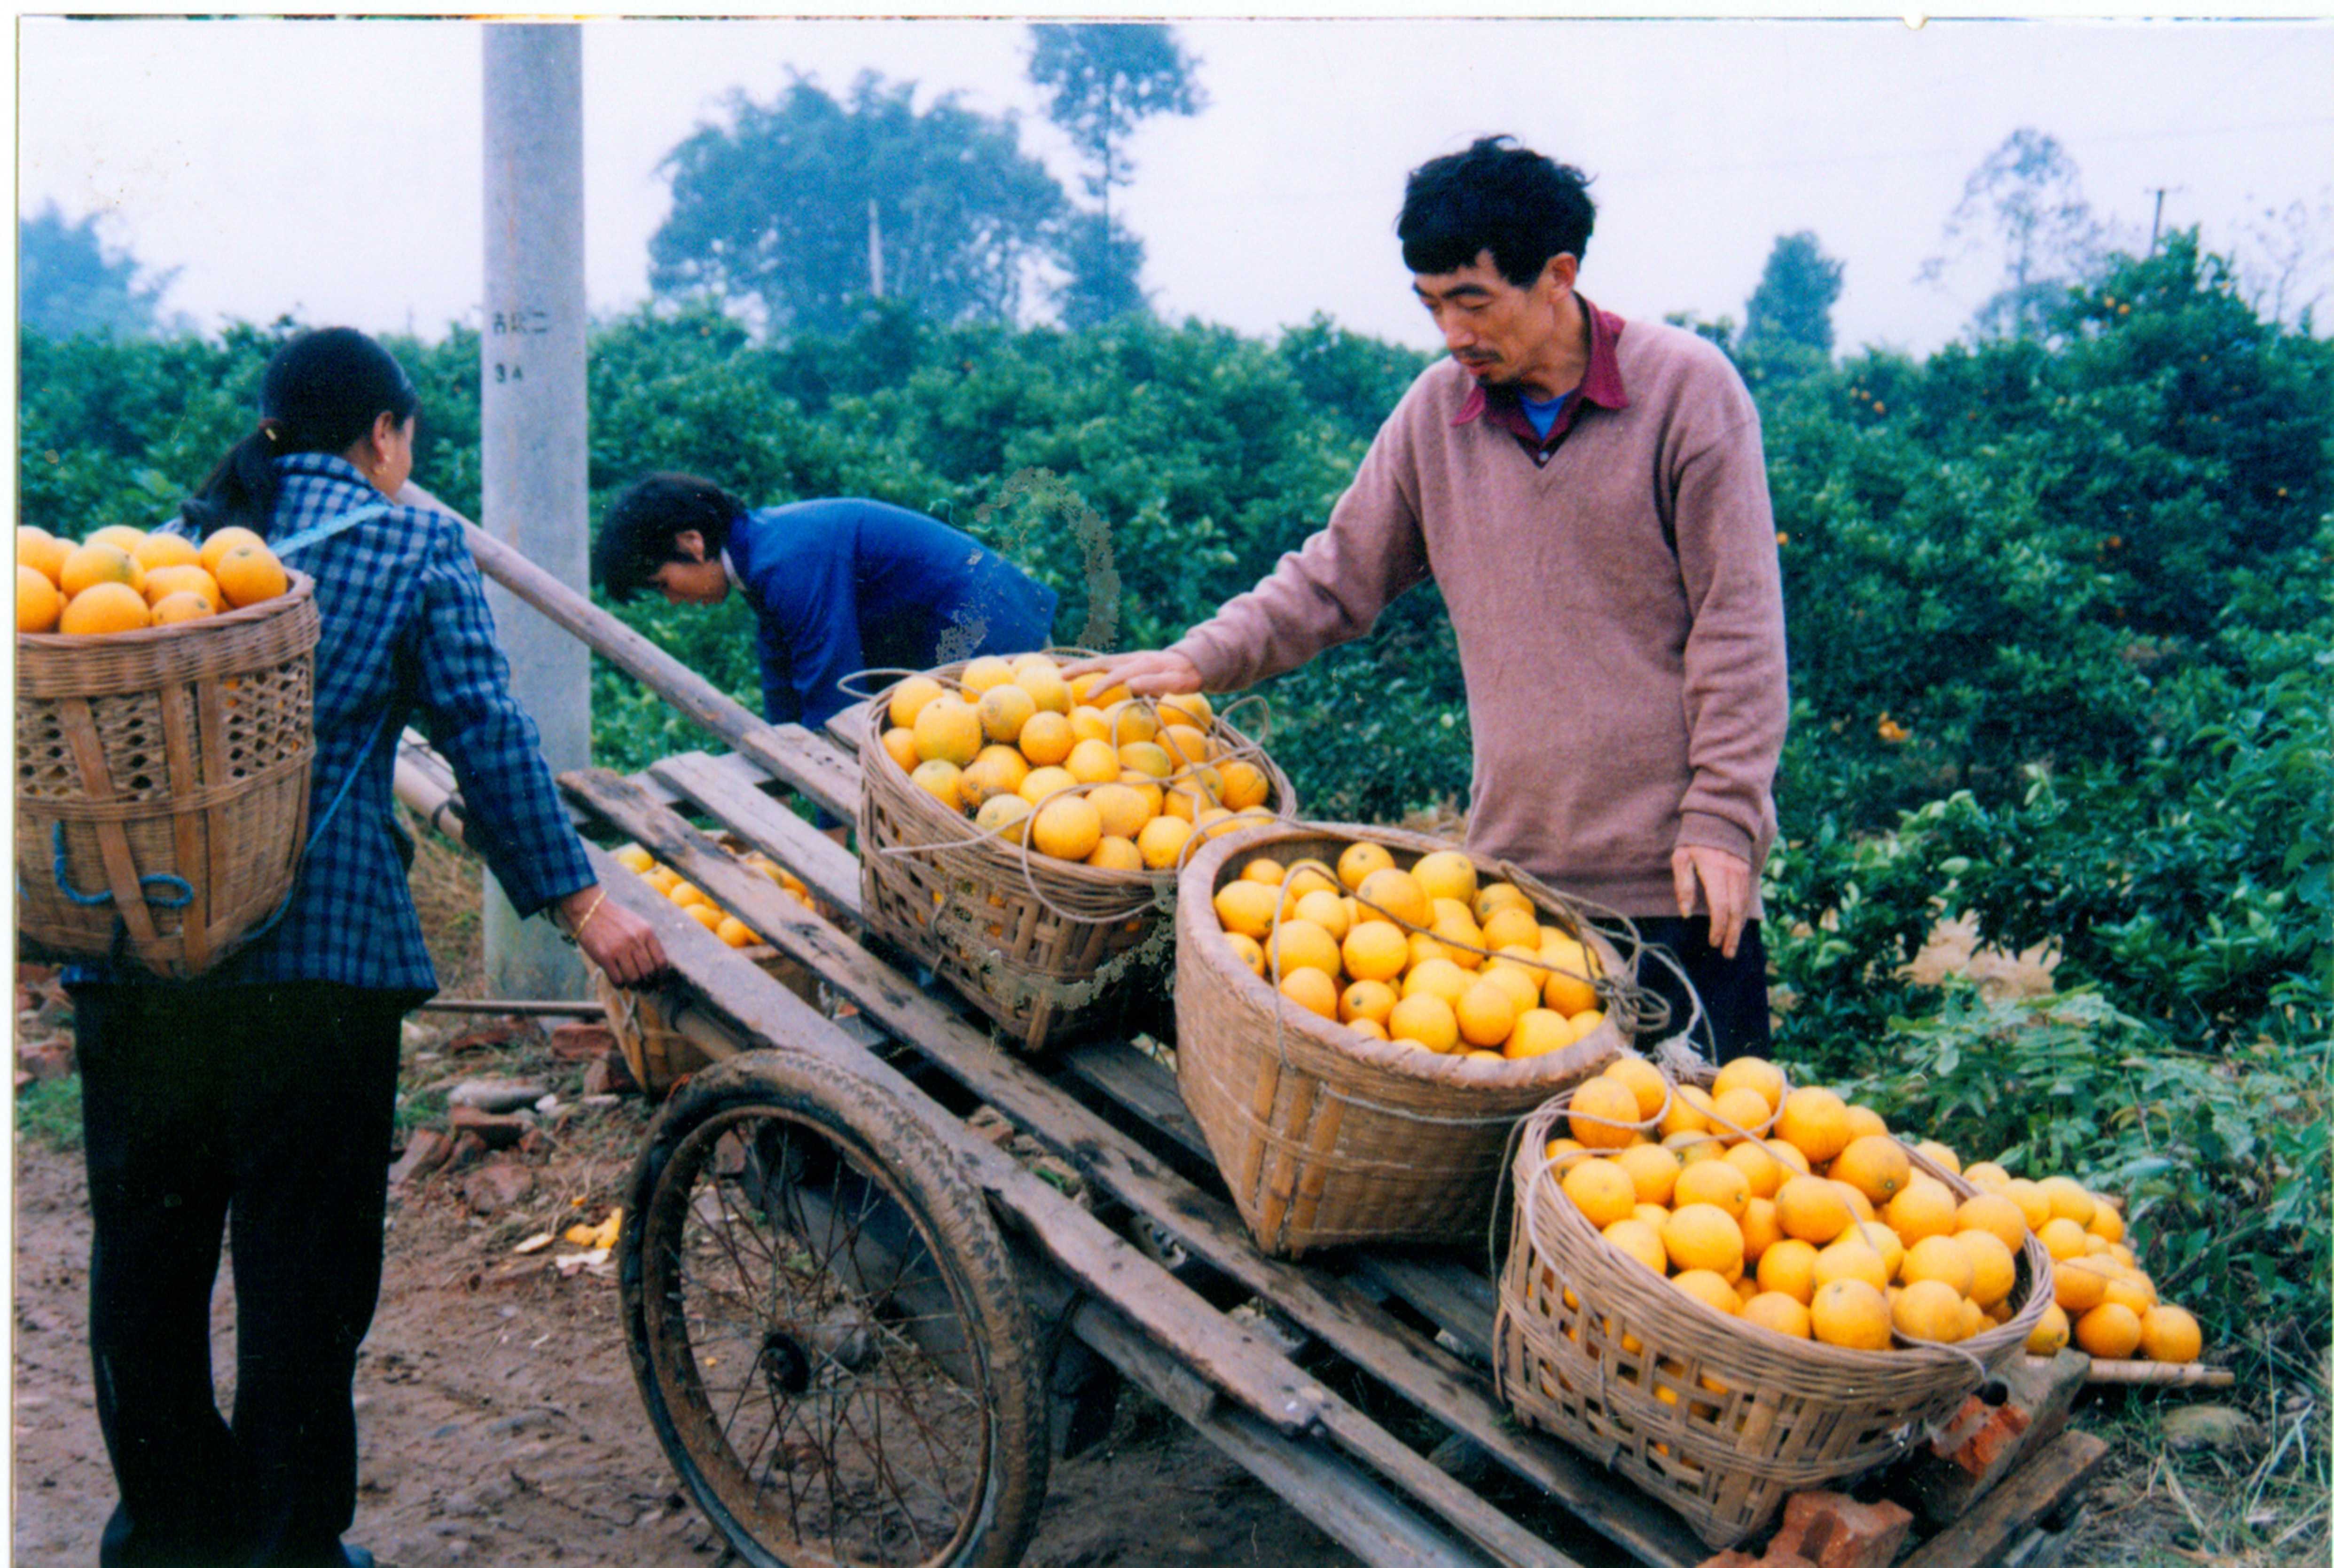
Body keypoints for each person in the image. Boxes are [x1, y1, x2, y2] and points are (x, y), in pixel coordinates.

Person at [67, 326, 668, 1568]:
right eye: (407, 439)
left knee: (147, 1260)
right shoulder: (410, 543)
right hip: (315, 969)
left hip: (139, 958)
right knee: (302, 1273)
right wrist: (582, 907)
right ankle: (291, 1548)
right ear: (384, 434)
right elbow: (487, 738)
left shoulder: (168, 556)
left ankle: (168, 1537)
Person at [1088, 137, 1788, 1063]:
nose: (1452, 333)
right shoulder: (1436, 414)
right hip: (1512, 887)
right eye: (1431, 305)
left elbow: (1737, 628)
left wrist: (1724, 818)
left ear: (1557, 275)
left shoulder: (1687, 394)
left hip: (1675, 882)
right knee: (1524, 1175)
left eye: (1472, 301)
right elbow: (1334, 575)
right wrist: (1200, 658)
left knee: (1693, 1170)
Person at [590, 478, 1059, 741]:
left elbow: (833, 701)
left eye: (663, 585)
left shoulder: (789, 559)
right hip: (965, 645)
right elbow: (785, 692)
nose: (673, 601)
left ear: (692, 543)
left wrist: (821, 851)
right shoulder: (762, 557)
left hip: (996, 643)